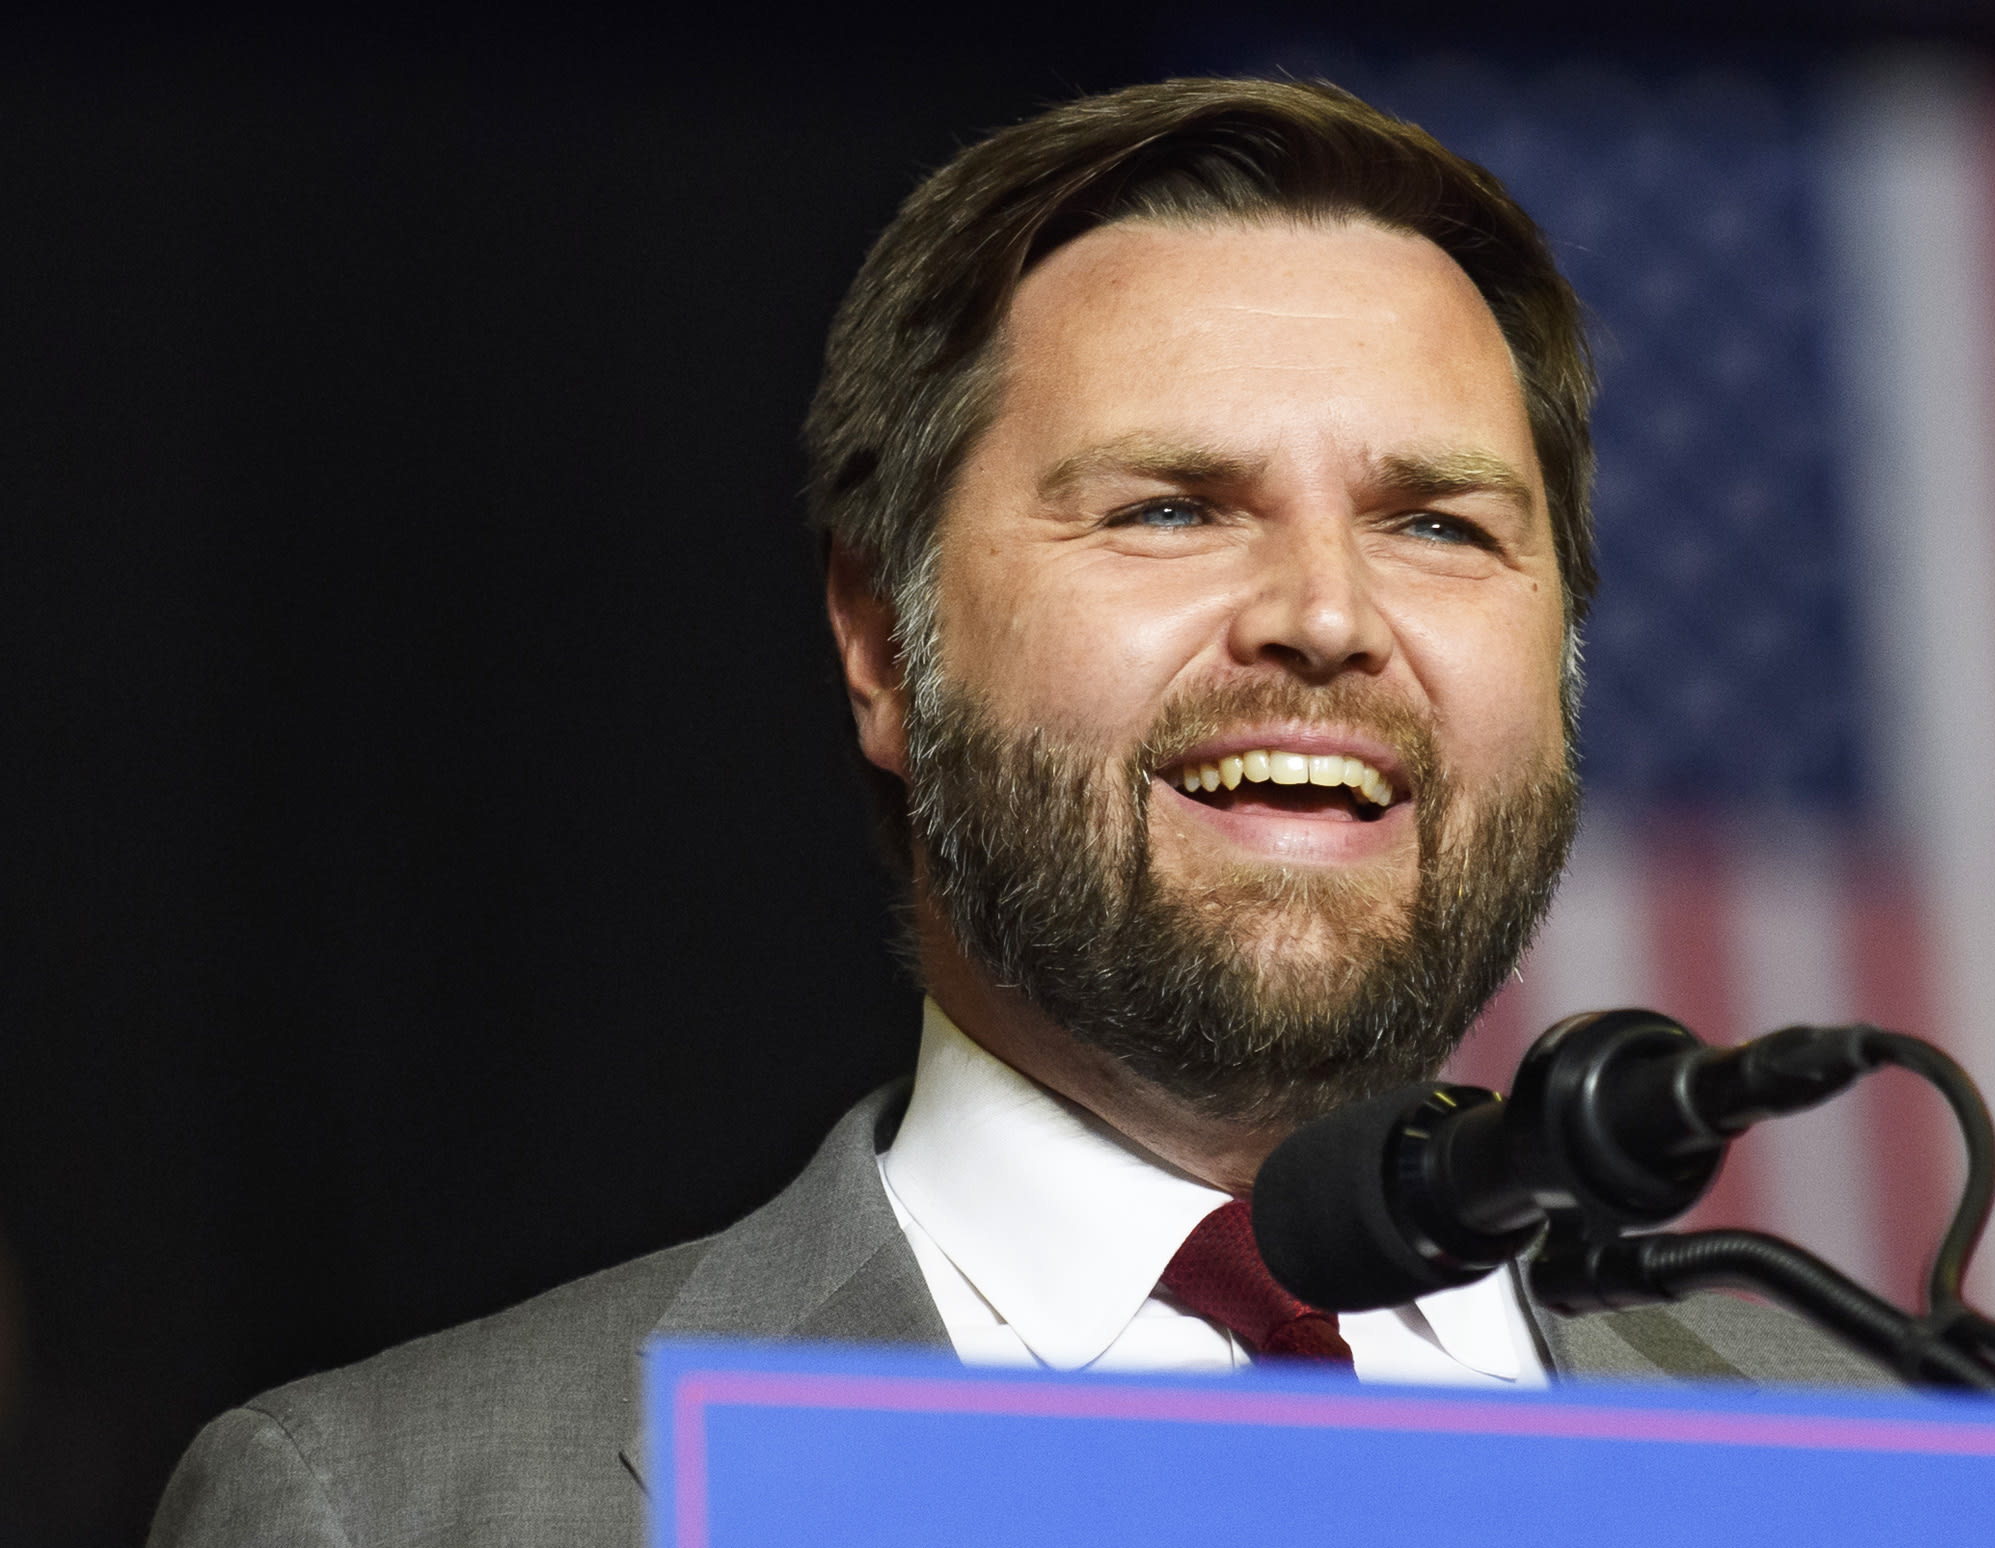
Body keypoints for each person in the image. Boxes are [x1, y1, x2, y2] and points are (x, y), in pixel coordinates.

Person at [147, 76, 1889, 1548]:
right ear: (879, 645)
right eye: (1168, 509)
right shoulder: (395, 1508)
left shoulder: (1906, 1472)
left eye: (1440, 525)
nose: (1328, 614)